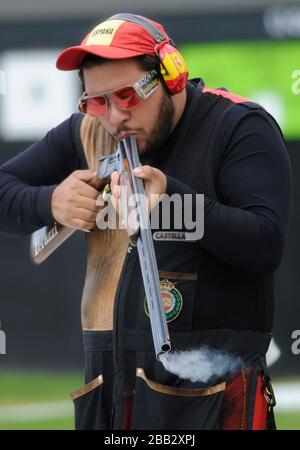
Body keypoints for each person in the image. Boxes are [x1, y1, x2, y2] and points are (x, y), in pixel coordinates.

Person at [0, 13, 292, 430]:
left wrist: (174, 199)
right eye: (95, 101)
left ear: (171, 75)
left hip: (210, 388)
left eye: (126, 95)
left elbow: (266, 243)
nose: (113, 117)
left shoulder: (237, 126)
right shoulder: (88, 132)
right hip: (109, 382)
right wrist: (51, 202)